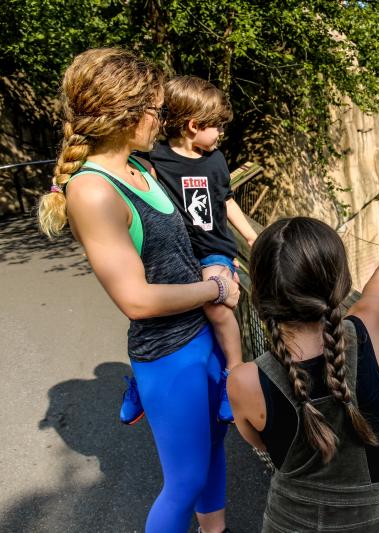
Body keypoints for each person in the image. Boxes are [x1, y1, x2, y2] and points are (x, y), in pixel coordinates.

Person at [37, 48, 237, 533]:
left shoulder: (143, 169)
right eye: (154, 108)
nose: (160, 119)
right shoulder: (94, 190)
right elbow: (136, 299)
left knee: (212, 453)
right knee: (183, 481)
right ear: (128, 114)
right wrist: (213, 288)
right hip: (168, 354)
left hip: (201, 342)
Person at [227, 217, 379, 532]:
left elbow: (260, 443)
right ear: (340, 283)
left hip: (287, 521)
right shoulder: (364, 332)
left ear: (262, 292)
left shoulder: (244, 380)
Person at [142, 75, 259, 423]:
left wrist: (252, 237)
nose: (221, 134)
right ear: (193, 126)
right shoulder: (155, 159)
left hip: (213, 250)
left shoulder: (216, 160)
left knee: (218, 305)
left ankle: (234, 377)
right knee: (156, 318)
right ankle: (143, 382)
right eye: (216, 127)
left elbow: (226, 202)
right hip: (175, 253)